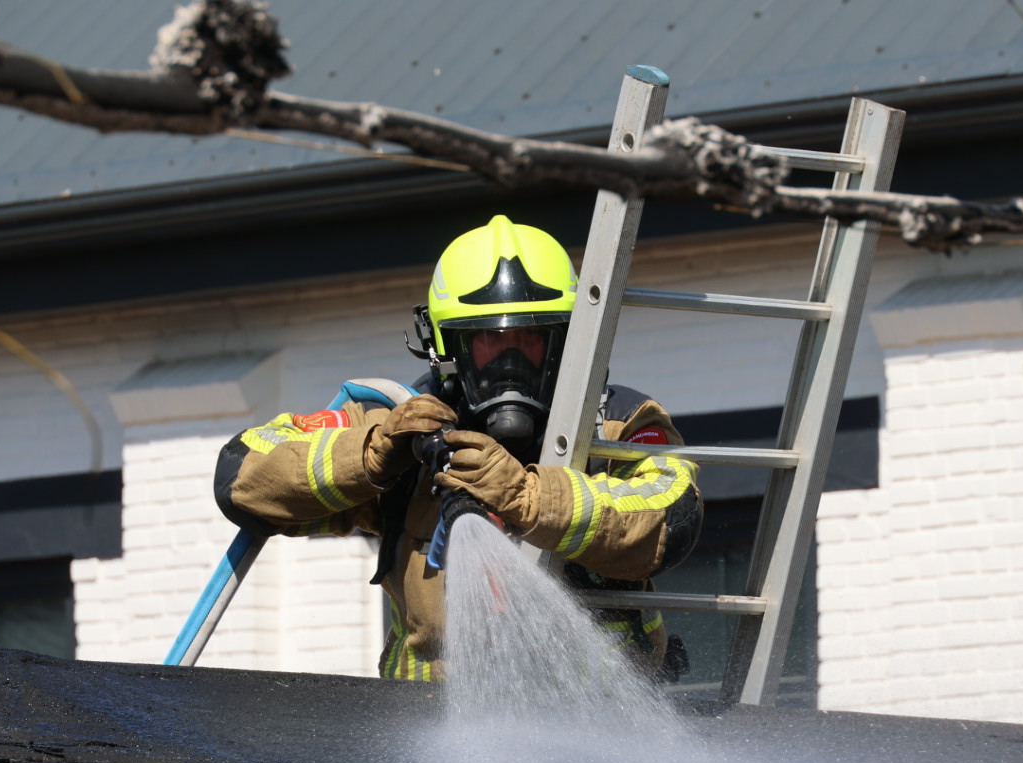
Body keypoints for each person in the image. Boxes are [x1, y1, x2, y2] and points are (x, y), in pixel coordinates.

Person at [214, 215, 702, 681]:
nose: (509, 363)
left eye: (529, 340)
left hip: (606, 730)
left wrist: (532, 498)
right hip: (426, 732)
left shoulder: (617, 424)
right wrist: (370, 457)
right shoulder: (401, 424)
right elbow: (242, 475)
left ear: (567, 339)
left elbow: (671, 519)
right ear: (446, 345)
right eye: (488, 343)